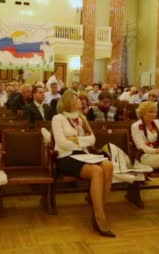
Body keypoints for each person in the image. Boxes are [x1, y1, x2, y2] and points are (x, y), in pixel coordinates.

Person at [52, 90, 115, 237]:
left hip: (83, 155)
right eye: (77, 99)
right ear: (68, 102)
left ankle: (99, 209)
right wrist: (78, 142)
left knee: (108, 165)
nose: (82, 101)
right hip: (66, 157)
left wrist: (76, 140)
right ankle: (100, 217)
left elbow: (92, 139)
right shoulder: (58, 118)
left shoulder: (81, 118)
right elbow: (62, 143)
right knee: (97, 171)